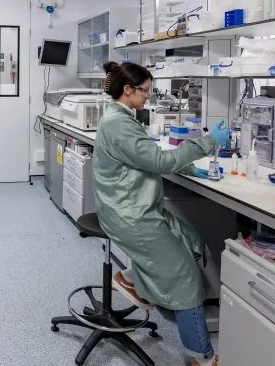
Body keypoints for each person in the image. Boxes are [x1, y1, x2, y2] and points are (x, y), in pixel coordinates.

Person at [94, 62, 230, 366]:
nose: (148, 96)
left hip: (131, 208)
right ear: (127, 89)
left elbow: (143, 158)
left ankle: (131, 278)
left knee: (188, 240)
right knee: (185, 279)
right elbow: (157, 160)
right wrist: (208, 142)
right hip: (131, 215)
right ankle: (203, 358)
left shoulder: (120, 118)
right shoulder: (118, 124)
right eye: (145, 90)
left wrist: (190, 168)